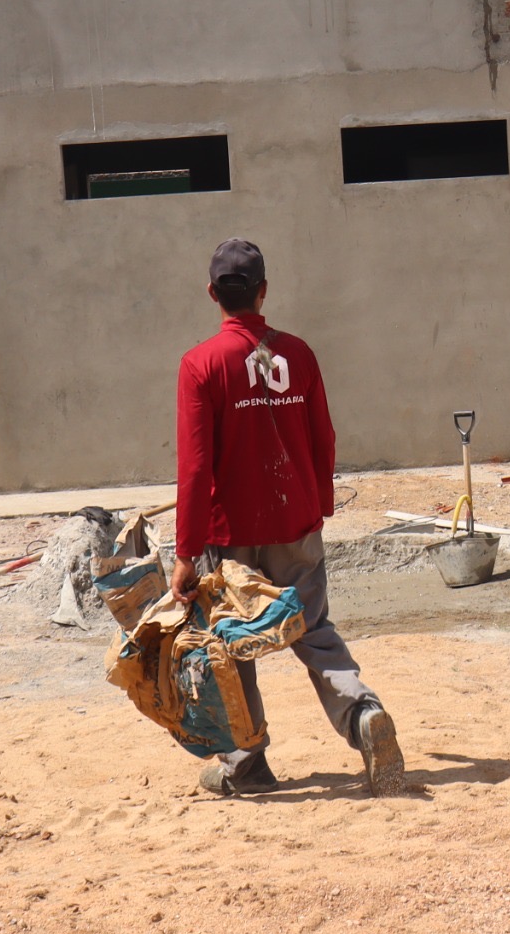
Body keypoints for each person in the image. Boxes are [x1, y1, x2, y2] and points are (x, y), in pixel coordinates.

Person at [172, 238, 406, 798]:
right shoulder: (298, 355)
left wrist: (186, 552)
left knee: (228, 643)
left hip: (231, 537)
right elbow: (322, 436)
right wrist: (317, 504)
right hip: (296, 523)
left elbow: (195, 467)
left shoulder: (200, 364)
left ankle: (246, 765)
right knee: (315, 630)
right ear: (263, 291)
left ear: (212, 294)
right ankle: (362, 715)